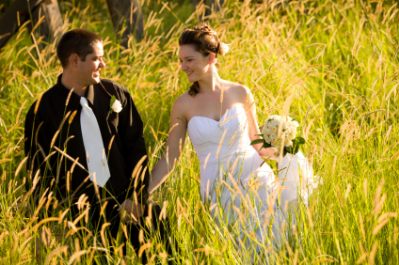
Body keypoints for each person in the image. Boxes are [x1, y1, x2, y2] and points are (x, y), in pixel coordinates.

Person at [24, 29, 167, 262]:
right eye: (97, 59)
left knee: (159, 256)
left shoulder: (115, 94)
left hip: (129, 202)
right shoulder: (43, 110)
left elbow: (136, 147)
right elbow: (38, 168)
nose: (104, 64)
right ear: (74, 60)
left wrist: (137, 196)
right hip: (82, 214)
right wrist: (47, 222)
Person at [148, 24, 294, 250]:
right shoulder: (183, 104)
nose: (183, 67)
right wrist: (143, 191)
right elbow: (171, 155)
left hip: (256, 180)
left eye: (189, 60)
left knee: (271, 246)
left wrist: (285, 149)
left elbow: (256, 142)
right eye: (181, 61)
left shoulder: (240, 92)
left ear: (211, 58)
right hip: (218, 189)